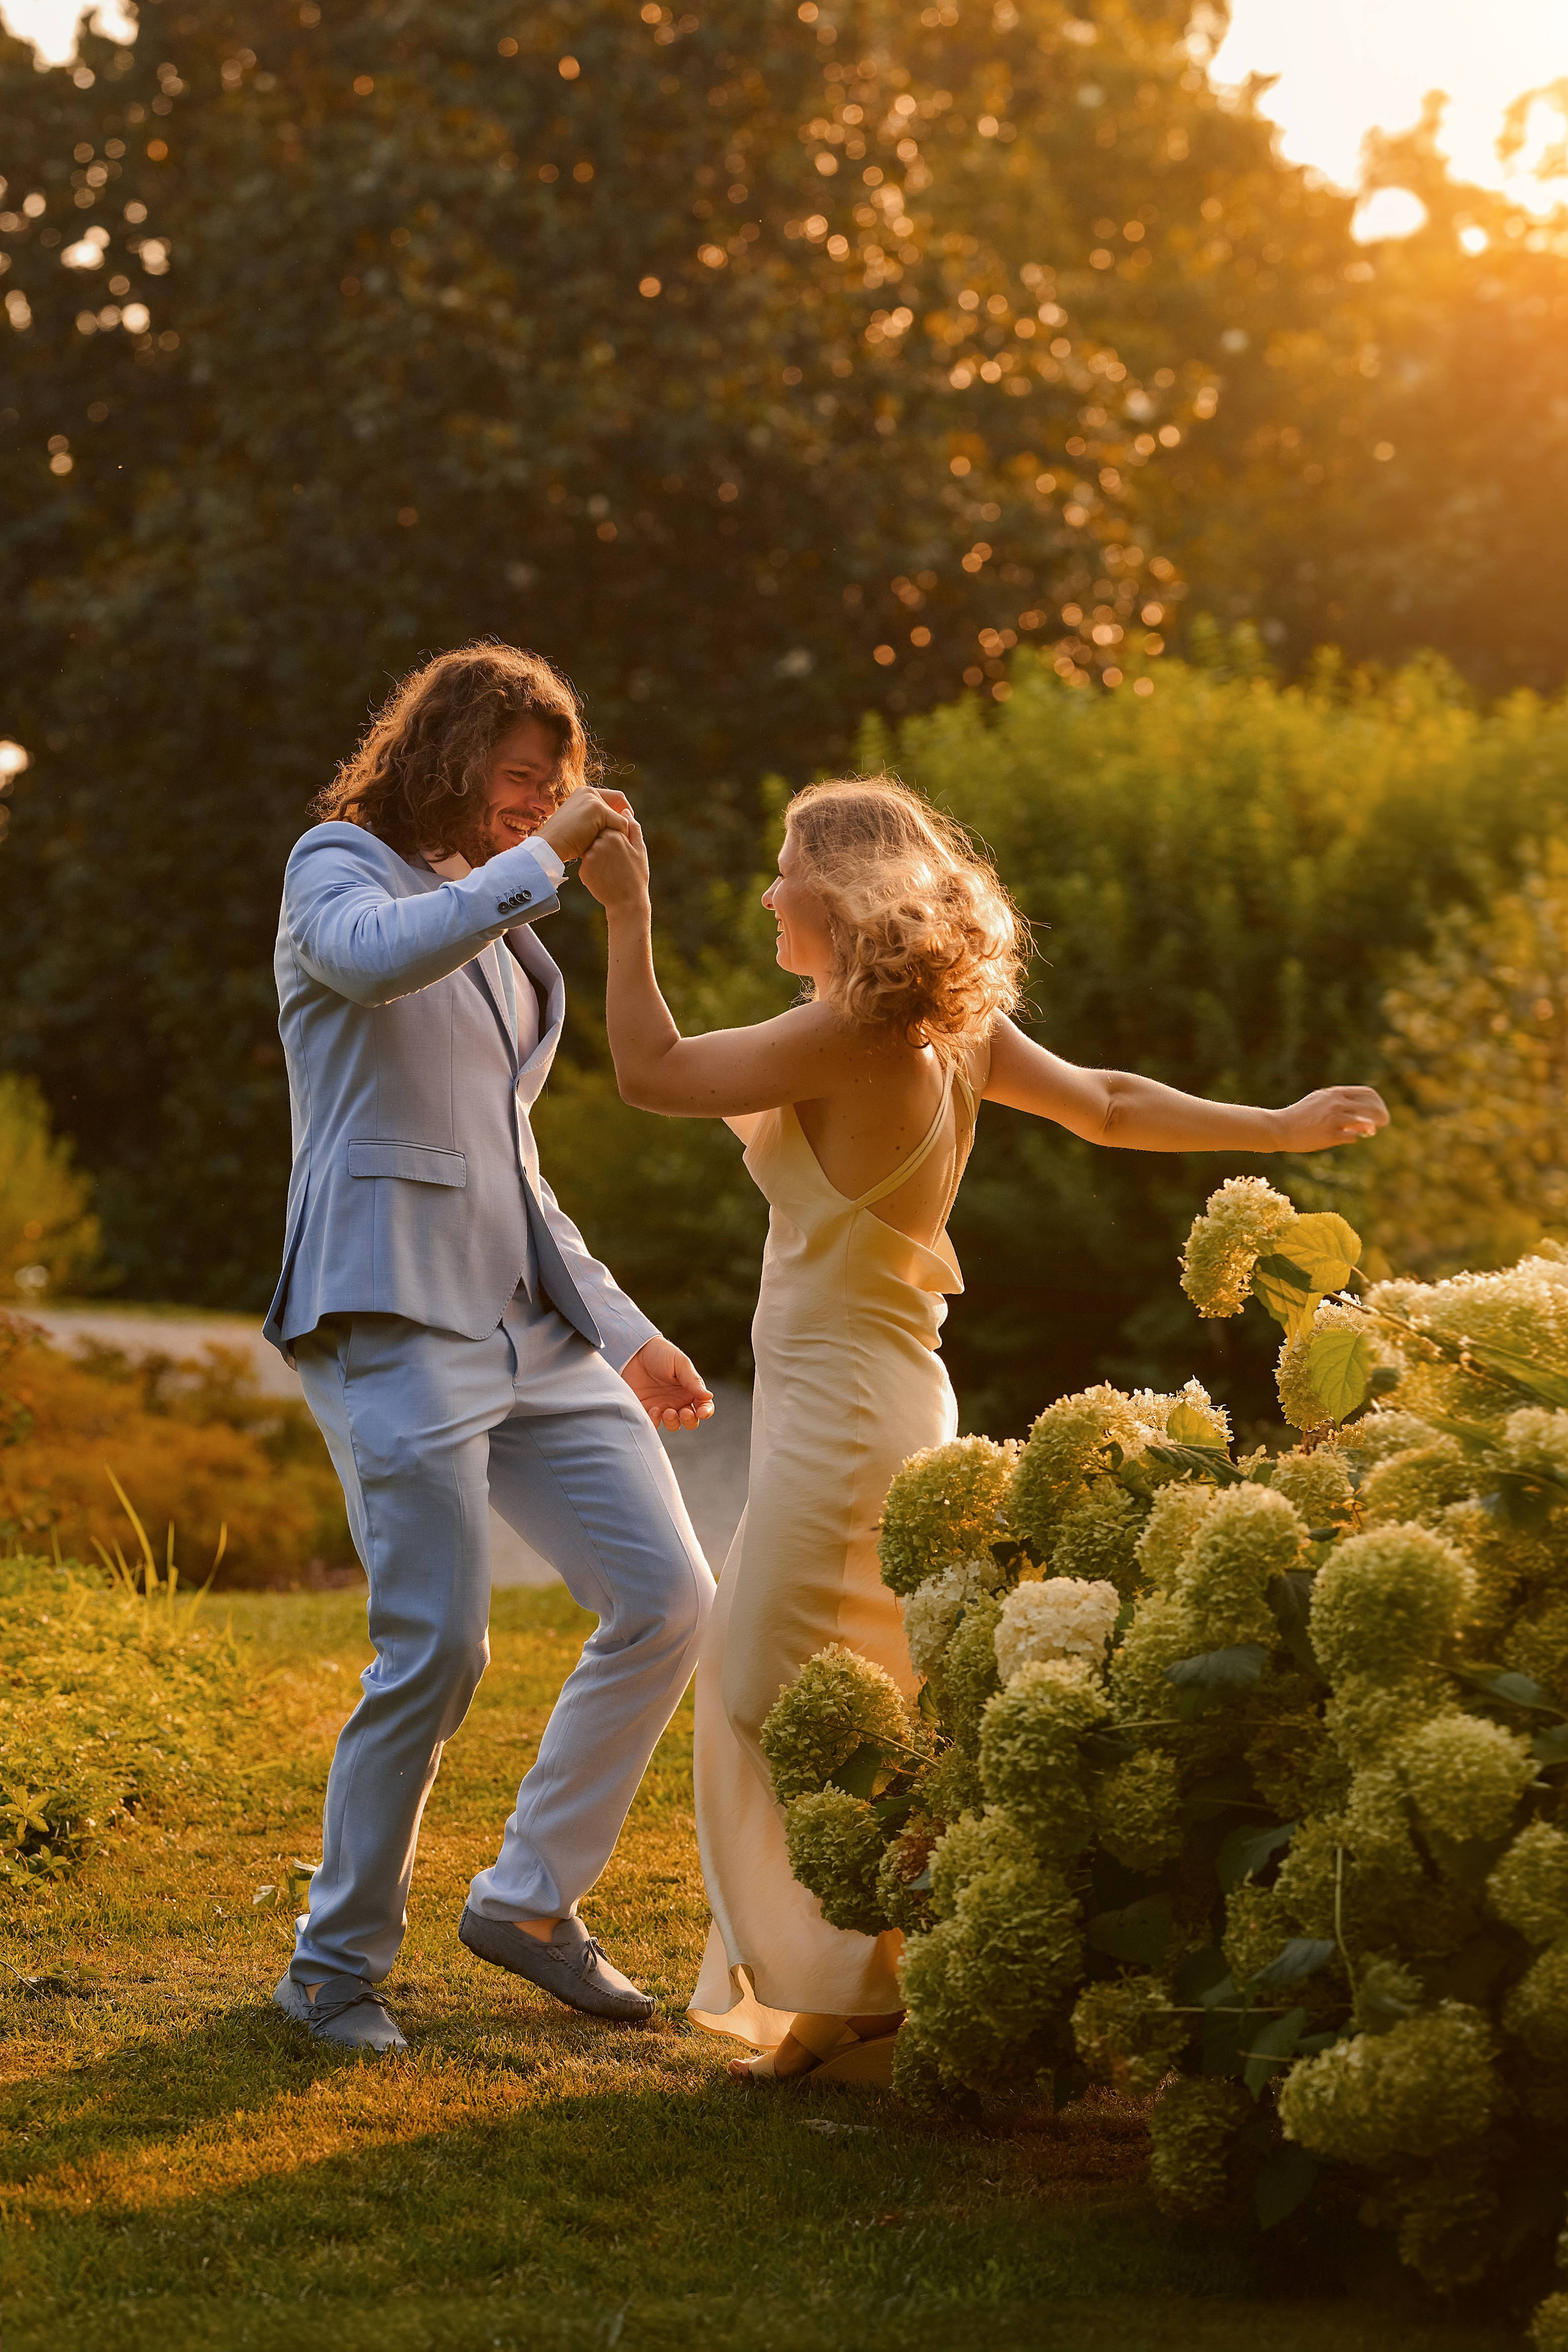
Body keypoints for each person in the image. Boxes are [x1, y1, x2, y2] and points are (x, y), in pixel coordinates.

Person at [578, 774, 1387, 2086]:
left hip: (846, 1419)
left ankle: (865, 1990)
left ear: (839, 892)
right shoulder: (945, 1030)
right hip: (881, 1399)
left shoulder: (850, 1036)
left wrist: (627, 913)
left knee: (769, 1690)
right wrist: (1274, 1127)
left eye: (785, 869)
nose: (770, 892)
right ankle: (858, 1994)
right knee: (855, 1690)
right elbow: (1106, 1103)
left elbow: (650, 1072)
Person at [263, 643, 716, 2053]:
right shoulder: (338, 868)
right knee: (439, 1649)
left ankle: (526, 1903)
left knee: (669, 1598)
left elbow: (510, 1166)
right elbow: (374, 964)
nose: (537, 801)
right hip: (393, 1312)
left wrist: (625, 1331)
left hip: (535, 1330)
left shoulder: (512, 939)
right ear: (448, 753)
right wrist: (542, 858)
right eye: (519, 775)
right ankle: (331, 1970)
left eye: (555, 783)